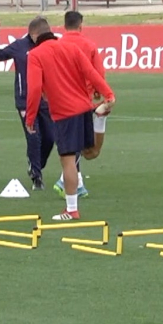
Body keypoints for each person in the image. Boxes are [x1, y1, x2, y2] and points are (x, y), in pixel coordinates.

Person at [24, 17, 115, 222]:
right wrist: (108, 94)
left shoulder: (35, 55)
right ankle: (100, 120)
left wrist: (30, 117)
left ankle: (71, 209)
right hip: (83, 108)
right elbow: (90, 72)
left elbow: (35, 89)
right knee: (89, 153)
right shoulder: (71, 48)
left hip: (65, 113)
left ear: (34, 35)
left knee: (68, 161)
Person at [0, 19, 54, 191]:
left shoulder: (50, 45)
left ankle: (36, 164)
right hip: (25, 100)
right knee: (33, 137)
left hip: (46, 100)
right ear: (32, 34)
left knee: (49, 138)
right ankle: (36, 177)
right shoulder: (19, 46)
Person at [52, 11, 106, 198]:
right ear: (81, 25)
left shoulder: (57, 45)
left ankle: (78, 182)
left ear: (64, 25)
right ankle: (65, 182)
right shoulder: (89, 45)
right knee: (84, 145)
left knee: (72, 143)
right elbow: (97, 72)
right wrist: (100, 94)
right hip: (83, 100)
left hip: (62, 99)